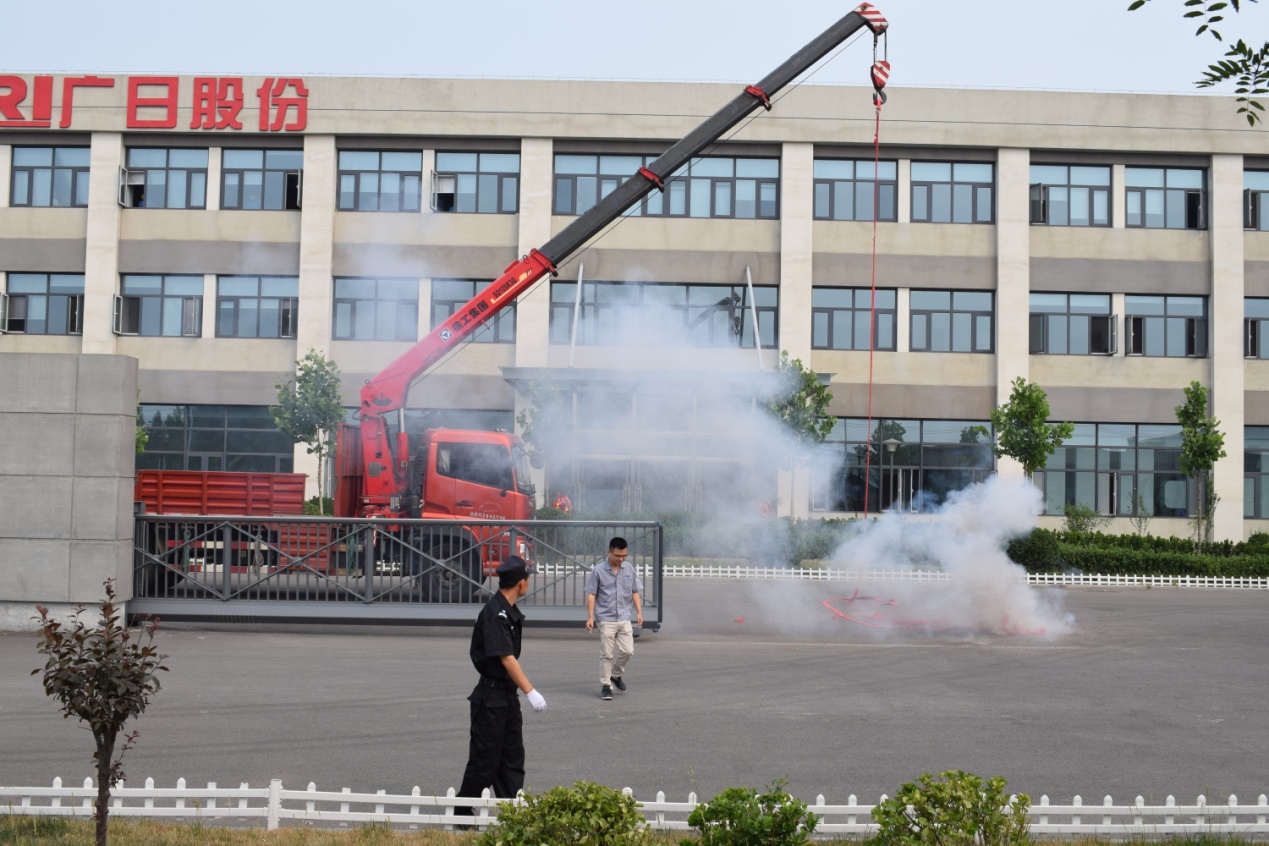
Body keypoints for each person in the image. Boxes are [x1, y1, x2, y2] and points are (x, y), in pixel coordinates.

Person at [456, 556, 546, 814]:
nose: (528, 582)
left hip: (506, 697)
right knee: (485, 761)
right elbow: (506, 658)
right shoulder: (496, 613)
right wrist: (531, 691)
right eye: (527, 578)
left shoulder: (507, 610)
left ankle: (512, 813)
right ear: (521, 582)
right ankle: (461, 812)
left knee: (512, 759)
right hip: (491, 698)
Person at [584, 537, 644, 701]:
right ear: (608, 552)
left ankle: (616, 675)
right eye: (618, 555)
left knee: (628, 651)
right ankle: (605, 686)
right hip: (606, 618)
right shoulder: (598, 571)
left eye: (624, 555)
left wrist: (639, 612)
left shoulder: (629, 569)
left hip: (624, 617)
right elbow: (591, 594)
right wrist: (590, 617)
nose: (621, 559)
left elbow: (635, 591)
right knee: (607, 655)